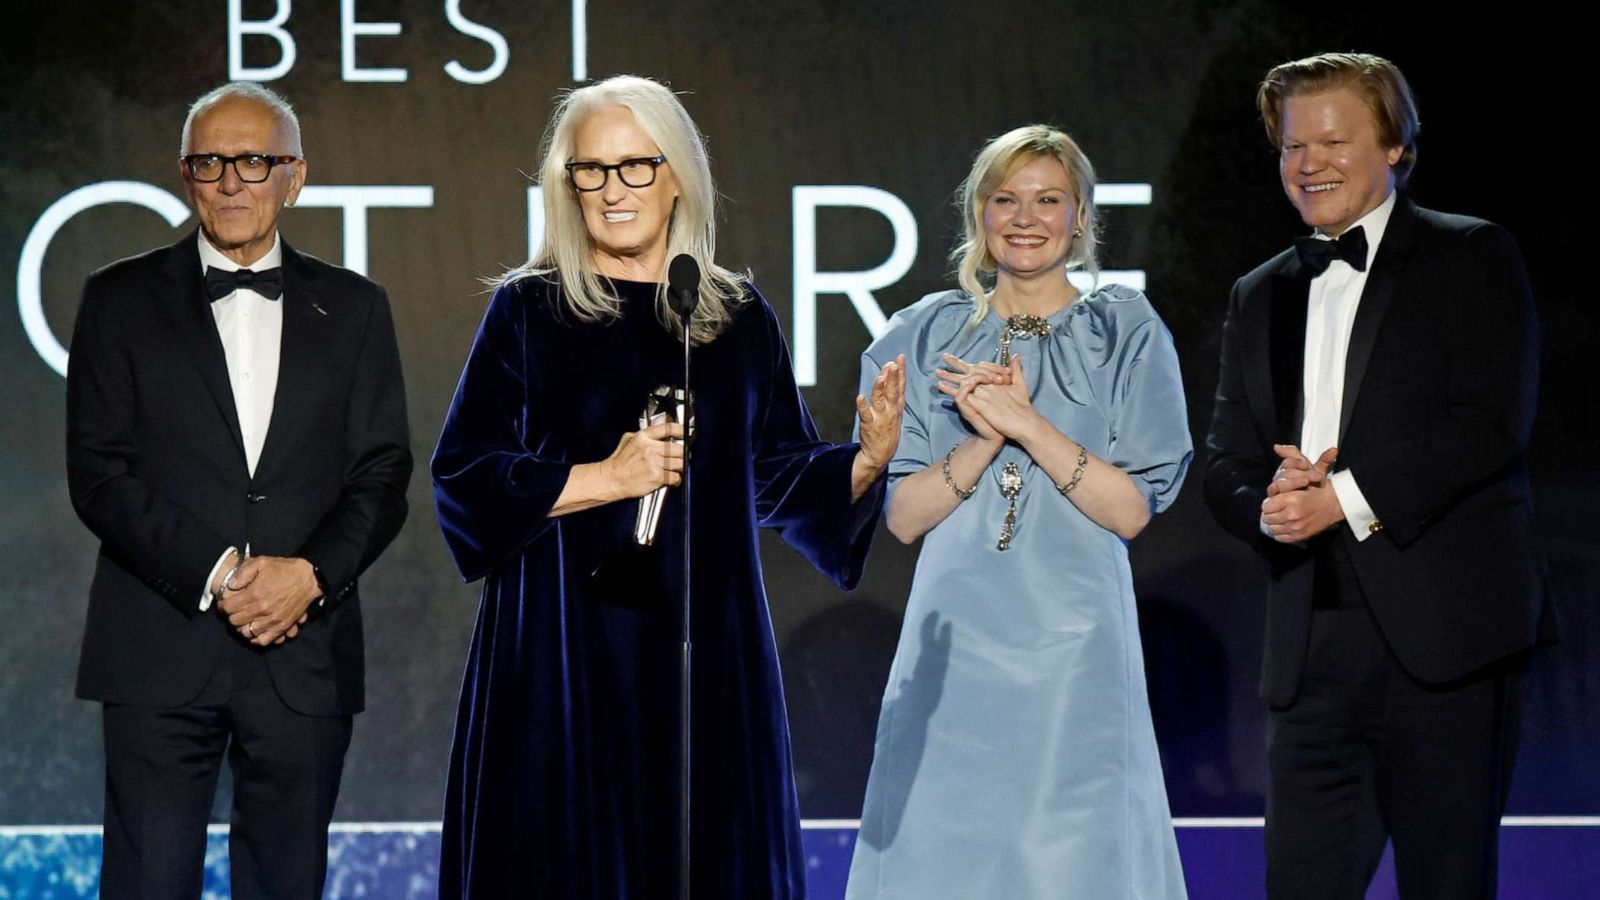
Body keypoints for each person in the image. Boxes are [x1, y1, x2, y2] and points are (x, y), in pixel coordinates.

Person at [430, 74, 906, 899]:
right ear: (566, 185)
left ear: (677, 173)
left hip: (703, 655)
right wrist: (603, 478)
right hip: (564, 656)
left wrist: (865, 459)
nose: (613, 191)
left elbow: (779, 473)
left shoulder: (734, 317)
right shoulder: (528, 312)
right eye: (591, 171)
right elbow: (464, 476)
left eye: (635, 167)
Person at [1203, 52, 1549, 899]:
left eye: (1332, 141)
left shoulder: (1470, 255)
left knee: (1448, 883)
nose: (1308, 164)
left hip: (1448, 642)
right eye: (1292, 147)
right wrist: (1270, 513)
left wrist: (1342, 500)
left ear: (1394, 145)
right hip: (1311, 647)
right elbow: (1226, 461)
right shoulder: (1261, 293)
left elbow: (1489, 422)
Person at [65, 82, 412, 899]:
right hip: (158, 646)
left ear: (294, 177)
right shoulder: (117, 301)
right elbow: (100, 474)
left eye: (254, 160)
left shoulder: (356, 308)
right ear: (186, 176)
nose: (231, 180)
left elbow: (382, 474)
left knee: (287, 883)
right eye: (211, 161)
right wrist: (221, 572)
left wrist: (310, 577)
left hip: (305, 653)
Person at [846, 125, 1192, 899]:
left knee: (1074, 853)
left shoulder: (1122, 330)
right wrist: (978, 441)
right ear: (978, 213)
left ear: (1081, 219)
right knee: (945, 853)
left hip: (1076, 647)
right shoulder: (926, 332)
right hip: (956, 644)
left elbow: (1132, 510)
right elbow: (903, 516)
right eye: (1005, 199)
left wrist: (1028, 425)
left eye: (1047, 200)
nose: (1025, 217)